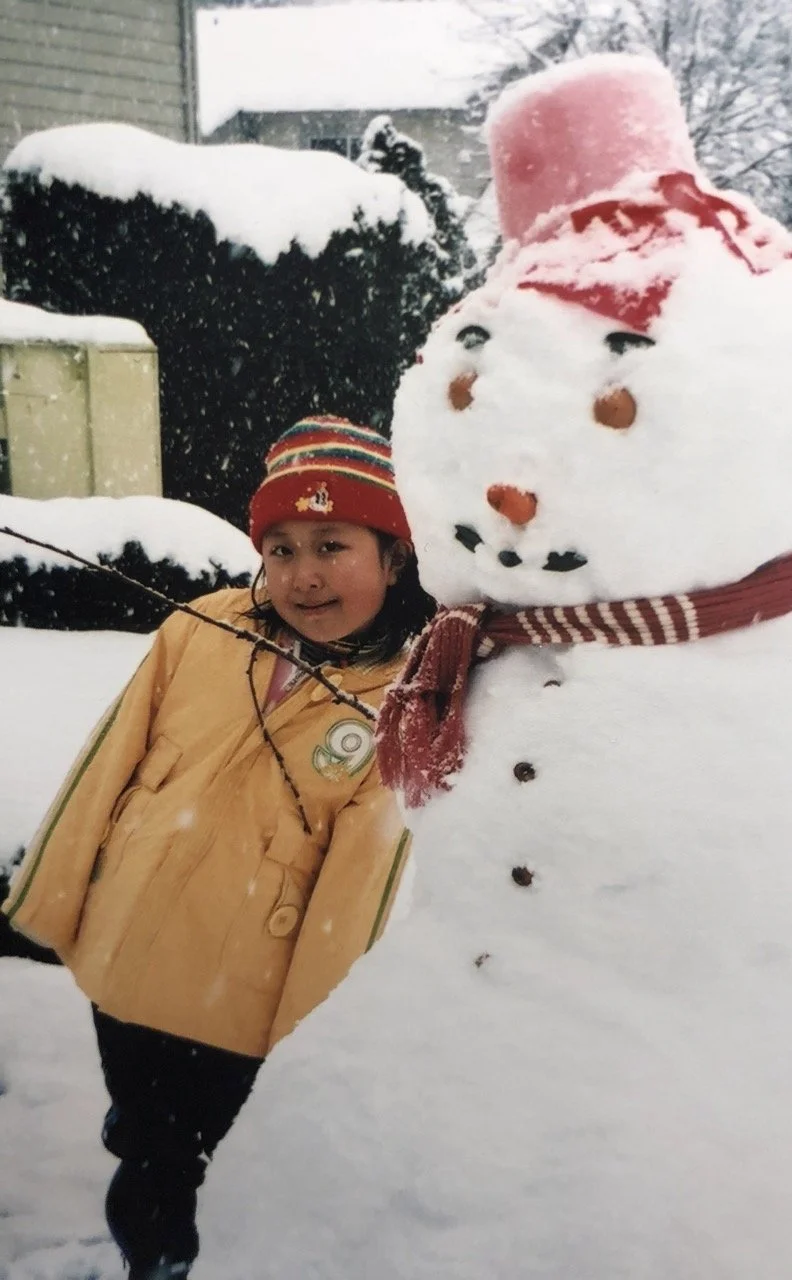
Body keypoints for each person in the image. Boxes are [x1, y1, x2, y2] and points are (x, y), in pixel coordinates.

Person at [2, 415, 434, 1280]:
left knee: (188, 1176)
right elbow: (106, 768)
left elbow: (359, 890)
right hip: (125, 955)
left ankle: (167, 1243)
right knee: (142, 1125)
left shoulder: (407, 694)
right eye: (281, 549)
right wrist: (56, 901)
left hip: (242, 1005)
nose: (303, 575)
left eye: (333, 545)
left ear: (394, 558)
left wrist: (313, 1044)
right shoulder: (202, 629)